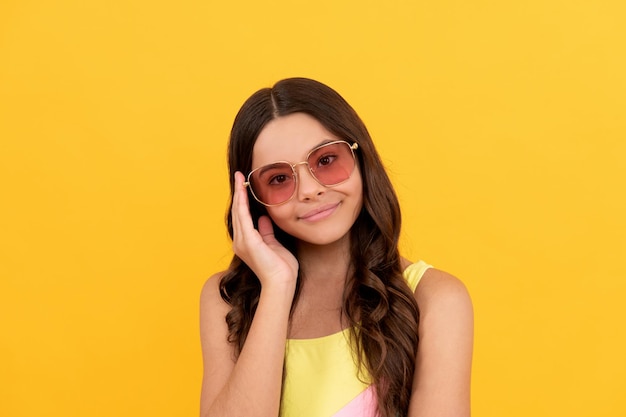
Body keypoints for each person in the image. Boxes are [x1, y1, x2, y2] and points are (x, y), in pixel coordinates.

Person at [199, 77, 473, 417]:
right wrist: (277, 286)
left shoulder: (435, 299)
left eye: (326, 160)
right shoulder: (225, 299)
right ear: (251, 199)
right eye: (279, 179)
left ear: (361, 158)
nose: (310, 190)